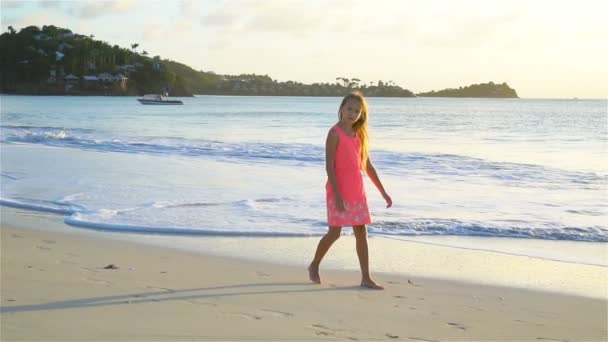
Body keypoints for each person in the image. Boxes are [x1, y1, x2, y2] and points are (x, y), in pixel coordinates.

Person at [308, 91, 392, 290]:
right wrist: (337, 195)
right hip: (338, 189)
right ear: (341, 109)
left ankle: (365, 277)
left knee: (361, 231)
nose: (352, 113)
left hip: (357, 190)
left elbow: (367, 166)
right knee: (335, 232)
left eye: (356, 111)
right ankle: (314, 264)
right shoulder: (334, 133)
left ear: (361, 114)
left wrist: (383, 191)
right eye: (349, 109)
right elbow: (329, 166)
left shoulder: (359, 135)